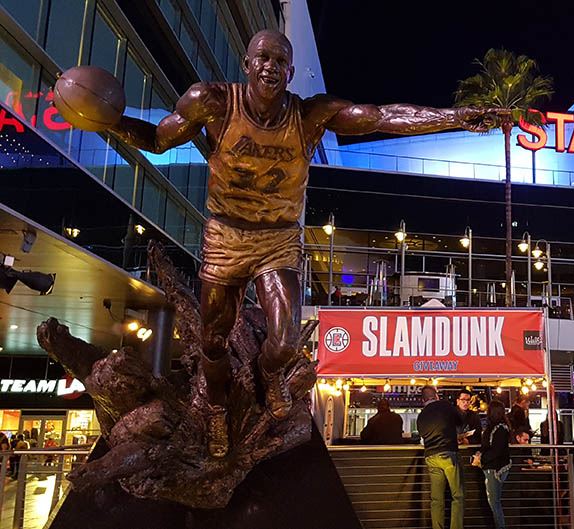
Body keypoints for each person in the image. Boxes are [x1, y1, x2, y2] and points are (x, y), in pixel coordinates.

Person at [80, 29, 499, 458]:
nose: (270, 66)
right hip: (226, 233)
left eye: (280, 61)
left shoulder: (309, 116)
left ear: (291, 72)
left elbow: (382, 116)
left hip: (277, 237)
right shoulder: (212, 102)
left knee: (284, 340)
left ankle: (270, 375)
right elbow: (156, 139)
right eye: (263, 58)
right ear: (246, 65)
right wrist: (111, 122)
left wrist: (454, 117)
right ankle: (217, 409)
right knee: (212, 340)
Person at [416, 385, 464, 529]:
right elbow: (460, 421)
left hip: (430, 456)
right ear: (436, 395)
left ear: (423, 400)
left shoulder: (421, 416)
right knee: (458, 495)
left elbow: (423, 436)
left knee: (436, 499)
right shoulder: (445, 405)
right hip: (448, 454)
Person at [478, 401, 511, 529]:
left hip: (494, 469)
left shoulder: (498, 429)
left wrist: (481, 459)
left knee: (494, 503)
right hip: (496, 467)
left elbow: (495, 451)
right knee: (494, 502)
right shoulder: (500, 428)